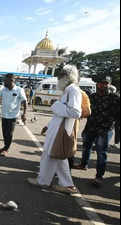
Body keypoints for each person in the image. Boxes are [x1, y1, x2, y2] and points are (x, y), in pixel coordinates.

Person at [27, 65, 82, 194]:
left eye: (60, 76)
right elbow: (62, 112)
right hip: (57, 128)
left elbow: (76, 112)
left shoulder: (73, 90)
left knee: (51, 155)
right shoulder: (68, 90)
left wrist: (56, 106)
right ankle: (66, 185)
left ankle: (44, 181)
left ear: (66, 77)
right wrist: (48, 124)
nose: (58, 79)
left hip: (61, 131)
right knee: (57, 156)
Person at [72, 76, 120, 187]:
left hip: (104, 130)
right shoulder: (92, 97)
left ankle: (99, 177)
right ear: (97, 84)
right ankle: (83, 164)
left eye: (105, 83)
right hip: (91, 127)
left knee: (101, 153)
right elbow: (86, 111)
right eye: (101, 82)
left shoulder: (115, 98)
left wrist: (115, 127)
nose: (103, 85)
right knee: (86, 147)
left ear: (109, 84)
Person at [0, 73, 27, 156]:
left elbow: (24, 102)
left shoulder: (19, 90)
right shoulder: (3, 89)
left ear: (11, 81)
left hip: (13, 115)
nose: (4, 82)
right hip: (4, 115)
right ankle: (5, 146)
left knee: (9, 133)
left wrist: (24, 114)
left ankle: (6, 149)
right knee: (4, 132)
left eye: (5, 81)